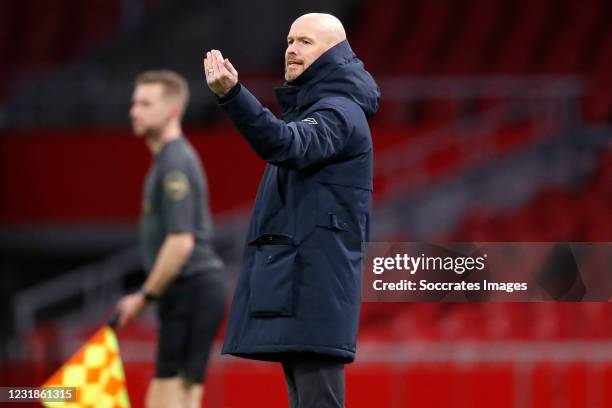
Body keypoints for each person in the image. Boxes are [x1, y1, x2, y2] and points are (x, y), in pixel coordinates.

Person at [204, 13, 380, 408]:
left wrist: (234, 97)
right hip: (304, 283)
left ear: (333, 53)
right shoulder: (318, 108)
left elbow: (287, 143)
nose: (291, 50)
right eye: (289, 41)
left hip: (316, 285)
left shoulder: (339, 112)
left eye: (305, 42)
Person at [116, 70, 226, 408]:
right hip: (191, 292)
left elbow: (181, 242)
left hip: (190, 289)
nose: (135, 111)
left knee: (165, 399)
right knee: (183, 398)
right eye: (135, 102)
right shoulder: (167, 159)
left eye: (146, 103)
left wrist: (143, 297)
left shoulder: (174, 162)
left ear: (172, 111)